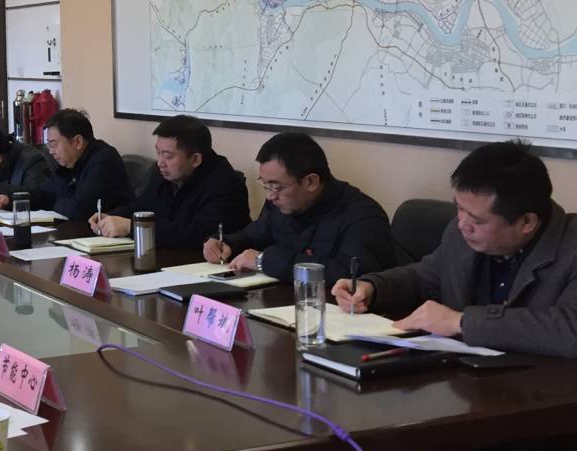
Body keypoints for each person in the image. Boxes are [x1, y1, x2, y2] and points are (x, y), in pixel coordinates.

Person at [335, 141, 577, 357]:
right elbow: (426, 277)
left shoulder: (570, 246)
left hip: (543, 387)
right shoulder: (459, 231)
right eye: (459, 208)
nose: (462, 224)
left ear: (527, 222)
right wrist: (373, 288)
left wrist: (460, 322)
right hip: (468, 379)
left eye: (477, 220)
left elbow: (570, 329)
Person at [204, 131, 393, 284]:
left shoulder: (362, 216)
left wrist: (264, 261)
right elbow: (252, 235)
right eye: (265, 185)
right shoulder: (280, 203)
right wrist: (226, 243)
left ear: (311, 182)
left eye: (277, 187)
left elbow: (352, 275)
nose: (270, 195)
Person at [90, 115, 250, 248]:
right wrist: (110, 217)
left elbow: (198, 234)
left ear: (195, 159)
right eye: (158, 153)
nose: (160, 162)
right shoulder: (162, 172)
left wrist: (132, 227)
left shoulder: (226, 184)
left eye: (168, 156)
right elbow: (143, 206)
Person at [0, 109, 130, 221]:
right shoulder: (70, 162)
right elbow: (44, 193)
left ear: (77, 142)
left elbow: (77, 211)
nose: (51, 151)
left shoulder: (104, 161)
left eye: (54, 144)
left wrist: (53, 200)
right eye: (49, 145)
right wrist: (12, 200)